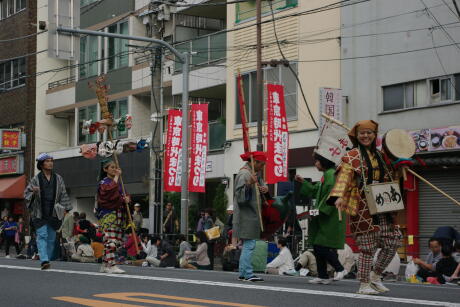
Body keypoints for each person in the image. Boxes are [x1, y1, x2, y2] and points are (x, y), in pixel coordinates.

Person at [328, 120, 402, 295]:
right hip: (362, 205)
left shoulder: (382, 156)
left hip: (383, 203)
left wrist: (401, 167)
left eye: (369, 132)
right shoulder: (352, 156)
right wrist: (338, 196)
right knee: (367, 247)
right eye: (362, 133)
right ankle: (363, 284)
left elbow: (391, 176)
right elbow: (344, 177)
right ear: (356, 135)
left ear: (375, 135)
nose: (366, 135)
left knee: (393, 241)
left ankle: (375, 277)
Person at [295, 153, 347, 284]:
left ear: (323, 162)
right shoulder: (327, 175)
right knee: (318, 246)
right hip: (325, 215)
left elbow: (332, 196)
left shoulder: (330, 175)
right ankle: (322, 275)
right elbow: (315, 190)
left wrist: (315, 212)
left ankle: (340, 268)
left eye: (317, 161)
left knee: (321, 246)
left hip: (330, 215)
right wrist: (303, 182)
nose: (316, 164)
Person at [24, 153, 72, 270]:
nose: (50, 163)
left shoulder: (59, 178)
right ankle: (44, 260)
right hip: (39, 212)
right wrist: (33, 192)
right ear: (41, 164)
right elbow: (27, 193)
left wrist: (65, 209)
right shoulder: (35, 179)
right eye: (47, 161)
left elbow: (63, 194)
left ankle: (47, 259)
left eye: (51, 161)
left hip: (54, 212)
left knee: (51, 239)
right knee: (42, 235)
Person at [233, 151, 268, 282]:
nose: (262, 167)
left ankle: (243, 272)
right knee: (249, 244)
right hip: (246, 216)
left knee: (248, 244)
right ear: (255, 162)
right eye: (262, 164)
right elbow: (240, 196)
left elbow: (260, 183)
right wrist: (248, 184)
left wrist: (264, 188)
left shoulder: (252, 174)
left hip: (249, 215)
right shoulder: (244, 174)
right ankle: (247, 273)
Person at [96, 160, 130, 274]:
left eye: (116, 167)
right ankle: (112, 265)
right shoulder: (103, 183)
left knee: (117, 242)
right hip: (108, 214)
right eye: (112, 167)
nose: (114, 169)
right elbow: (109, 193)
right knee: (111, 241)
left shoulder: (119, 183)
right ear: (105, 169)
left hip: (119, 214)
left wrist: (127, 199)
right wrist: (116, 177)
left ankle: (105, 264)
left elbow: (124, 195)